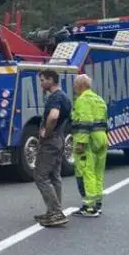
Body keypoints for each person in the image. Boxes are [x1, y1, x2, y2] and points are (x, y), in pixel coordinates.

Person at [34, 69, 72, 227]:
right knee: (55, 176)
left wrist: (46, 133)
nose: (41, 84)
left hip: (51, 141)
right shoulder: (65, 97)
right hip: (60, 139)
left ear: (51, 80)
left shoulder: (55, 97)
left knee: (41, 176)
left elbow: (54, 116)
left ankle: (55, 212)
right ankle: (53, 211)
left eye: (43, 80)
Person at [70, 73, 109, 217]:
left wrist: (81, 142)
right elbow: (105, 121)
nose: (74, 88)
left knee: (87, 172)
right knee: (98, 172)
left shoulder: (82, 100)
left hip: (89, 140)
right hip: (102, 138)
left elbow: (84, 122)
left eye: (75, 85)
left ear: (81, 85)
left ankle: (89, 207)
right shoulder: (99, 99)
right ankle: (97, 203)